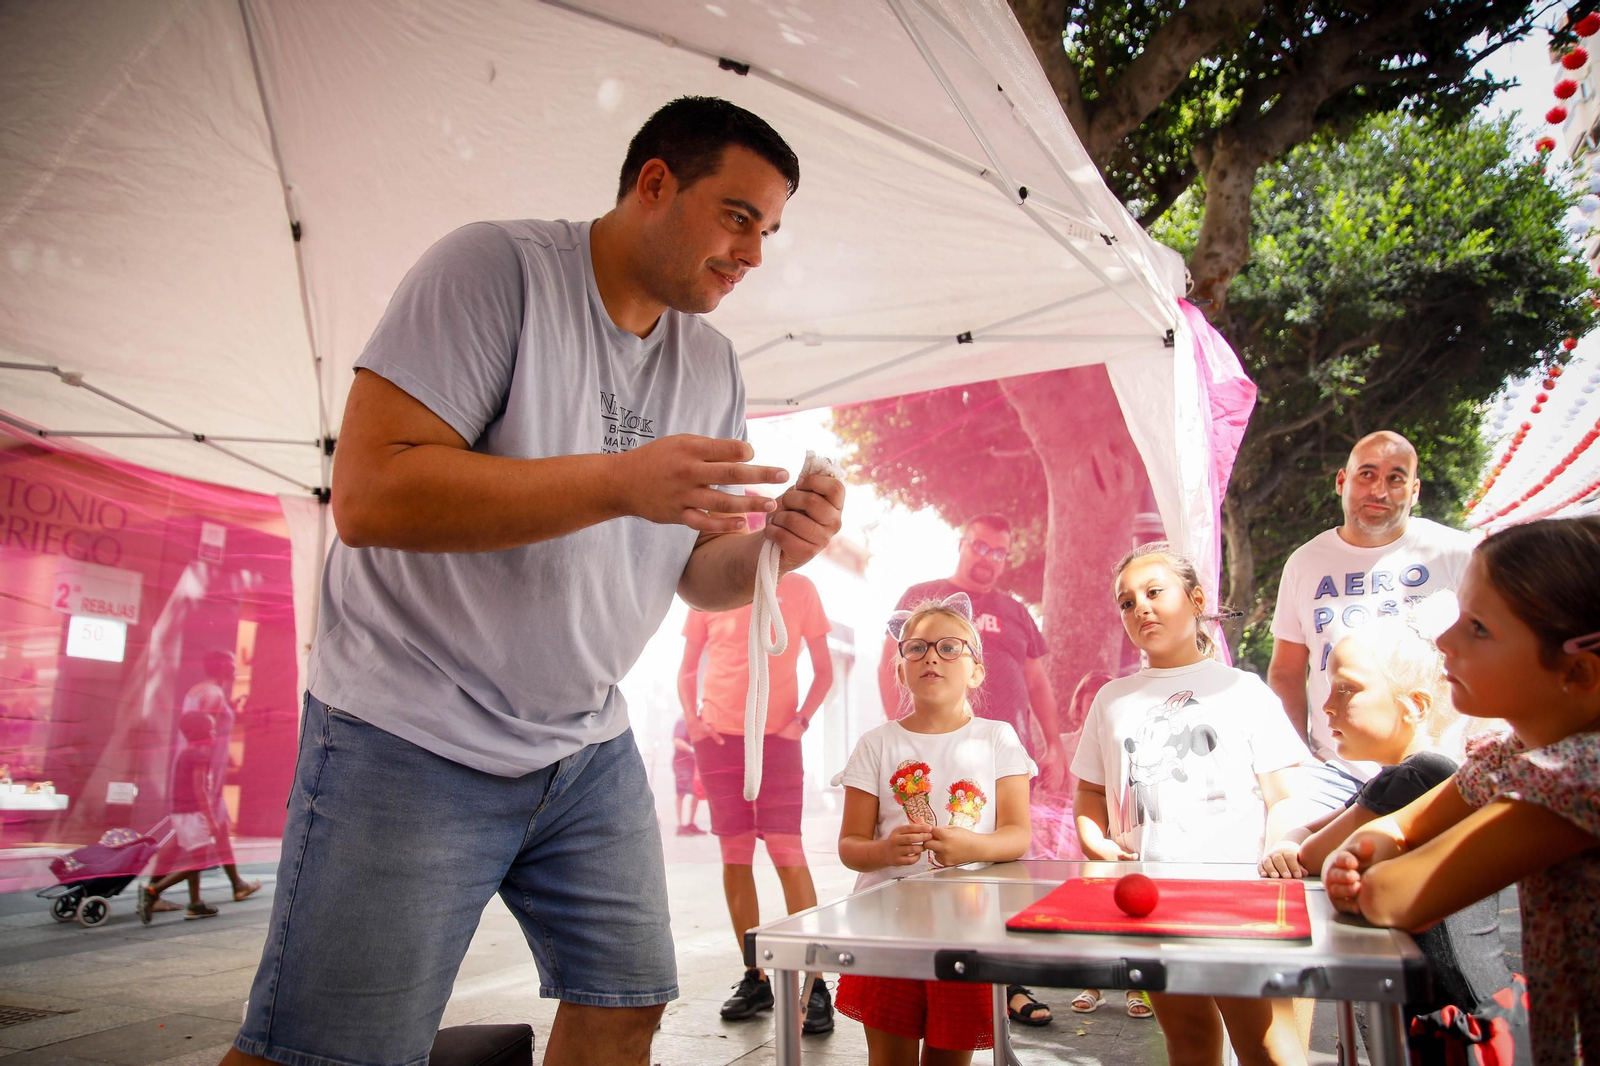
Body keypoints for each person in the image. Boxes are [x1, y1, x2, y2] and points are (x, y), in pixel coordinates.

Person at [223, 97, 844, 1066]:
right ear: (654, 184)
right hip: (410, 727)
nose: (753, 253)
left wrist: (776, 551)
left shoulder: (713, 365)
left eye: (767, 230)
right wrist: (616, 481)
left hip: (584, 745)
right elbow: (370, 495)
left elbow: (696, 571)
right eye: (737, 217)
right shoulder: (493, 270)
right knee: (327, 1051)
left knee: (625, 1002)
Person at [1322, 516, 1600, 1063]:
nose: (1445, 641)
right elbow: (1397, 829)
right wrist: (1370, 854)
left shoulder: (1574, 778)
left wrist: (1365, 869)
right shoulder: (1511, 755)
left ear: (1579, 671)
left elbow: (1393, 896)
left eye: (1478, 628)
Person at [1071, 542, 1312, 1066]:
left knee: (1268, 1046)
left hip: (1238, 903)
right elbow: (1089, 792)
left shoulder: (1245, 690)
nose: (1141, 608)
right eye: (1127, 602)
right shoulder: (1110, 699)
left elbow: (1288, 794)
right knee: (1188, 1040)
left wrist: (1280, 854)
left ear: (1197, 599)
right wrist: (1095, 841)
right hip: (1150, 903)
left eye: (1154, 592)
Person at [1260, 619, 1527, 1062]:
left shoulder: (1418, 776)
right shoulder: (1397, 778)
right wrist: (1290, 840)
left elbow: (1311, 852)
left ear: (1414, 706)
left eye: (1346, 689)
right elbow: (1310, 836)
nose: (1326, 706)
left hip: (1457, 1016)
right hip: (1447, 1004)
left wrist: (1291, 844)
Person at [879, 513, 1062, 1026]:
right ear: (962, 544)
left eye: (999, 552)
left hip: (1003, 761)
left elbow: (1038, 681)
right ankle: (927, 970)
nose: (988, 559)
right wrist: (903, 736)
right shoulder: (923, 596)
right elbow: (887, 664)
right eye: (980, 546)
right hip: (932, 758)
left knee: (1001, 869)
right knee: (933, 863)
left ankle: (1005, 980)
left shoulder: (1016, 611)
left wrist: (1054, 743)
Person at [837, 594, 1033, 1064]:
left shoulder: (998, 738)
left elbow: (1017, 835)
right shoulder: (876, 745)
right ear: (900, 669)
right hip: (886, 930)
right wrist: (884, 851)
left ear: (976, 671)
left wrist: (973, 846)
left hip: (969, 930)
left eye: (949, 647)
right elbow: (849, 845)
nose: (931, 657)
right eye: (917, 648)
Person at [1267, 432, 1473, 815]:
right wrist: (1299, 756)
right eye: (1367, 474)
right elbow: (1286, 672)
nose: (1379, 490)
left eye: (1395, 478)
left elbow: (1493, 651)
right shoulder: (1305, 563)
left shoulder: (1458, 554)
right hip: (1335, 773)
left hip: (1440, 768)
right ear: (1341, 481)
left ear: (1414, 491)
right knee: (1290, 836)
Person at [678, 567, 835, 1032]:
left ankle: (815, 983)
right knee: (735, 856)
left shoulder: (801, 588)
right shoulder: (712, 582)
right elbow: (687, 669)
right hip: (720, 739)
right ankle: (755, 977)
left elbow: (825, 672)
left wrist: (801, 722)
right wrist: (694, 723)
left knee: (788, 853)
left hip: (779, 739)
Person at [147, 651, 260, 912]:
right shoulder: (214, 695)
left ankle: (235, 885)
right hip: (204, 773)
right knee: (194, 838)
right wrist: (207, 776)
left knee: (214, 832)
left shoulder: (198, 691)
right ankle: (157, 893)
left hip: (196, 769)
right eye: (231, 664)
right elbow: (203, 732)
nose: (235, 668)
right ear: (221, 666)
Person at [138, 712, 227, 922]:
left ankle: (195, 903)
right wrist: (210, 820)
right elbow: (199, 790)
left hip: (182, 814)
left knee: (196, 857)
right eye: (211, 729)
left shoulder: (185, 753)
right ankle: (153, 891)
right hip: (194, 815)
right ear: (199, 732)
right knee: (200, 861)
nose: (214, 733)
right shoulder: (199, 755)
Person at [669, 717, 704, 835]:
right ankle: (680, 825)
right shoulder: (682, 722)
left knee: (696, 792)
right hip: (682, 763)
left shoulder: (698, 722)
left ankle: (691, 823)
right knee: (681, 793)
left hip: (695, 763)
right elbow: (677, 741)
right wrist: (692, 750)